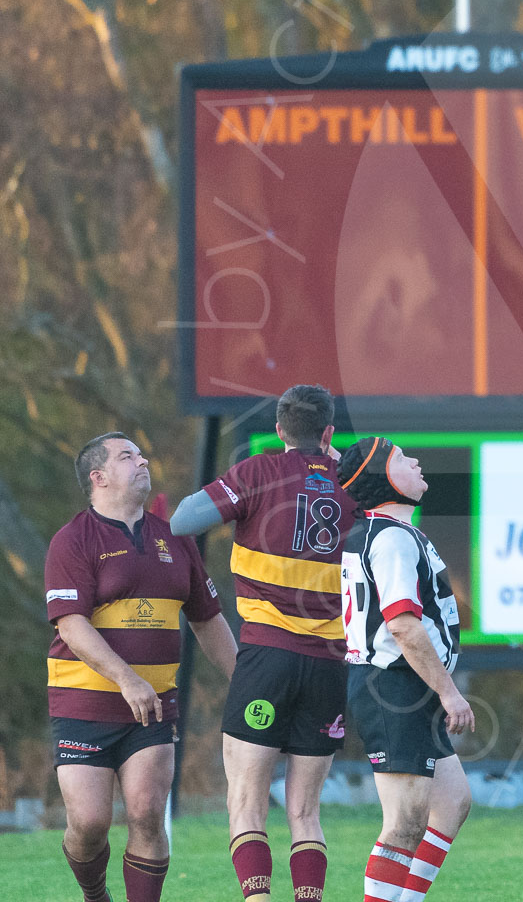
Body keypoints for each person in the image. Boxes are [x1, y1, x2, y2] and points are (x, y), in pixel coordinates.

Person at [170, 385, 354, 902]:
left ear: (279, 430)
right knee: (306, 812)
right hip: (330, 662)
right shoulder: (353, 482)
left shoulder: (257, 472)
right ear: (328, 432)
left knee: (247, 803)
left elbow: (182, 521)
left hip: (267, 656)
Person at [47, 432, 238, 902]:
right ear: (98, 477)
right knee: (89, 823)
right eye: (127, 456)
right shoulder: (73, 539)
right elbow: (71, 625)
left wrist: (246, 681)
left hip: (154, 706)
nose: (142, 460)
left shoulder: (175, 537)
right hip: (84, 706)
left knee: (148, 815)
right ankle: (95, 895)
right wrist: (127, 679)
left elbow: (208, 619)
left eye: (141, 454)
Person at [337, 436, 474, 902]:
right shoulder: (391, 537)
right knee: (404, 823)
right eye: (400, 458)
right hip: (393, 686)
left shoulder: (388, 531)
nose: (414, 461)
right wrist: (449, 692)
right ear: (383, 479)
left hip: (405, 683)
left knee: (452, 803)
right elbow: (402, 626)